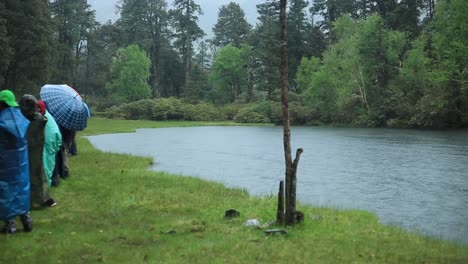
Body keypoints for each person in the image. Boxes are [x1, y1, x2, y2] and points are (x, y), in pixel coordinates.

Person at [0, 90, 33, 233]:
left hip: (5, 164)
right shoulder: (20, 118)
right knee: (21, 189)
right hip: (21, 163)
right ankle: (26, 219)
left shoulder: (2, 121)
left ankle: (10, 224)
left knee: (6, 191)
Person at [18, 95, 56, 209]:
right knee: (36, 175)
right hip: (32, 150)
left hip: (31, 150)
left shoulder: (32, 119)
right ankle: (41, 199)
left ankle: (38, 199)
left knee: (35, 175)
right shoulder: (39, 118)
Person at [37, 100, 62, 187]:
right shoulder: (46, 116)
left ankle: (46, 186)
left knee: (47, 166)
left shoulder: (45, 118)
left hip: (49, 145)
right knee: (49, 165)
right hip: (50, 145)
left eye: (39, 108)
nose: (37, 110)